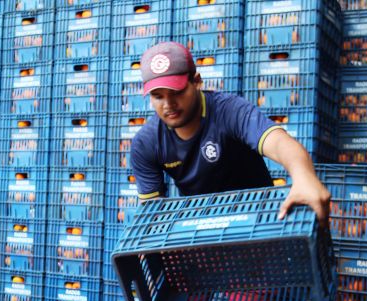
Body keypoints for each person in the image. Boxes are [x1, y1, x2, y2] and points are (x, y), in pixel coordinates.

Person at [130, 41, 331, 222]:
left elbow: (278, 142)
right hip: (202, 225)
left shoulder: (229, 111)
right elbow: (152, 212)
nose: (168, 105)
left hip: (258, 218)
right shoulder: (147, 143)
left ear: (197, 81)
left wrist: (304, 177)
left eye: (177, 92)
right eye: (158, 96)